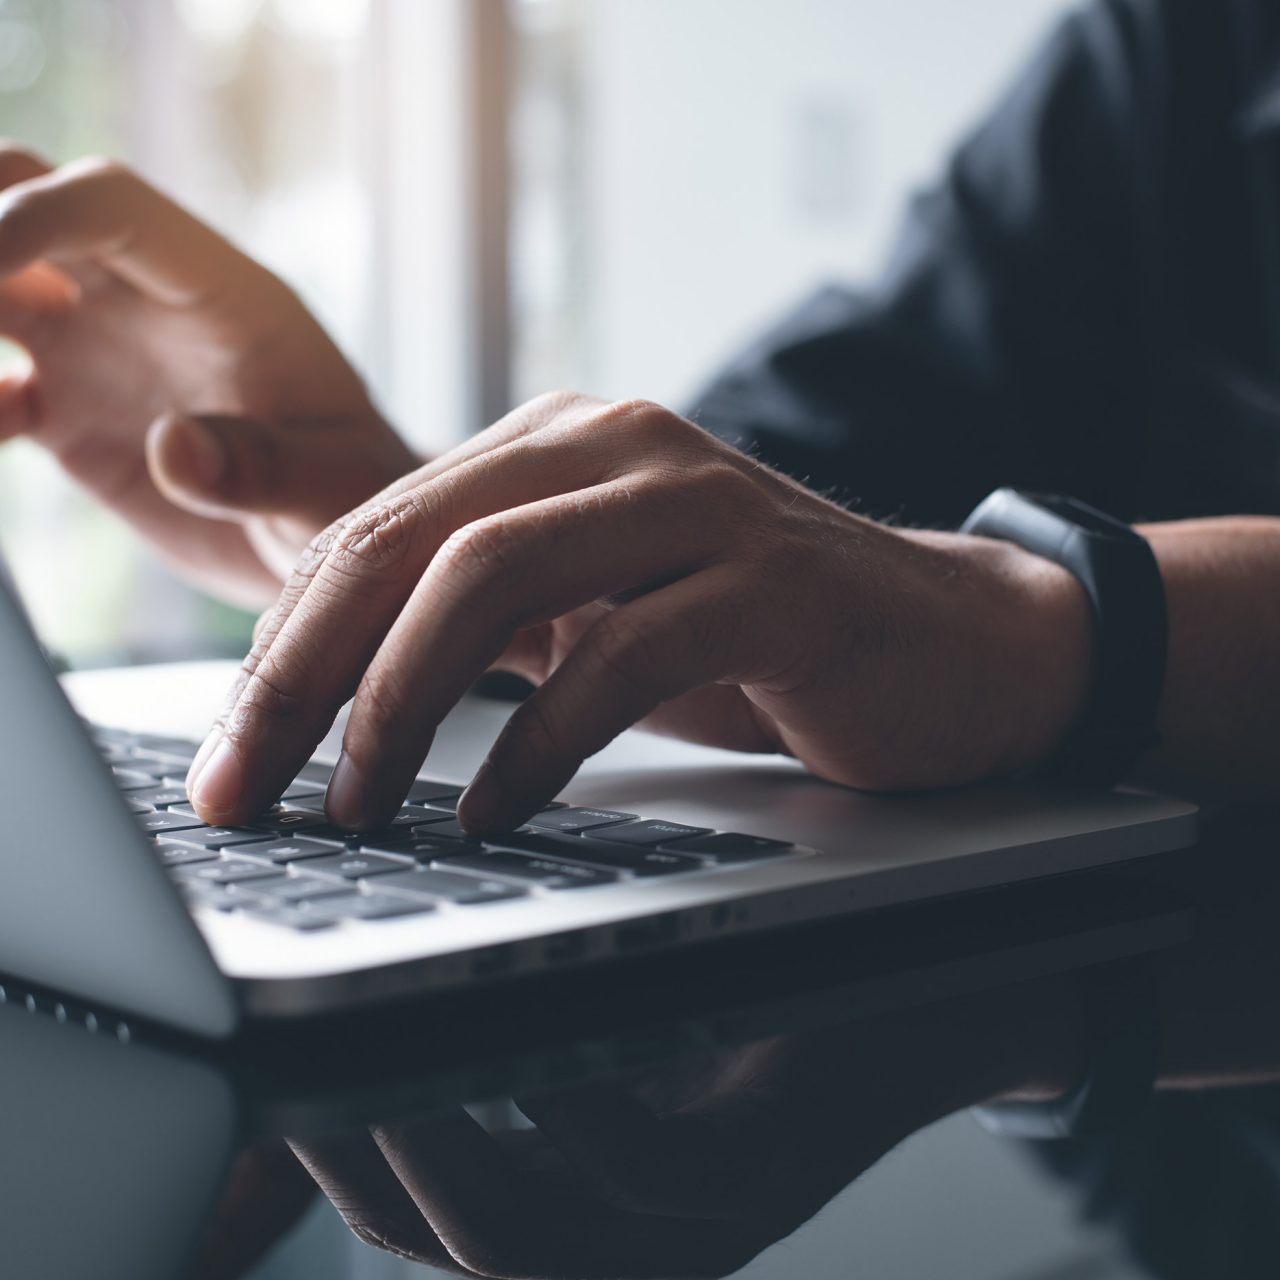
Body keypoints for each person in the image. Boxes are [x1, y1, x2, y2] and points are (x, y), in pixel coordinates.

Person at [3, 0, 1280, 1270]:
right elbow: (773, 511)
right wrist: (387, 514)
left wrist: (1034, 627)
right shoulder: (1177, 45)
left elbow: (898, 591)